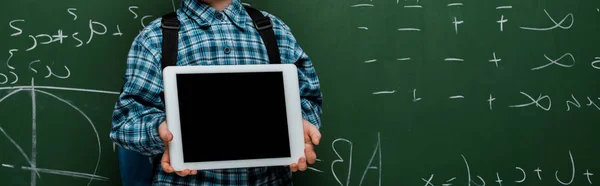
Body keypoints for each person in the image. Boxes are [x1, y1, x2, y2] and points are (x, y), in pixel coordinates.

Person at [110, 0, 323, 185]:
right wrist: (162, 133)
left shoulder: (275, 31)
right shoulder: (155, 38)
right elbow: (126, 123)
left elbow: (308, 96)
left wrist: (300, 123)